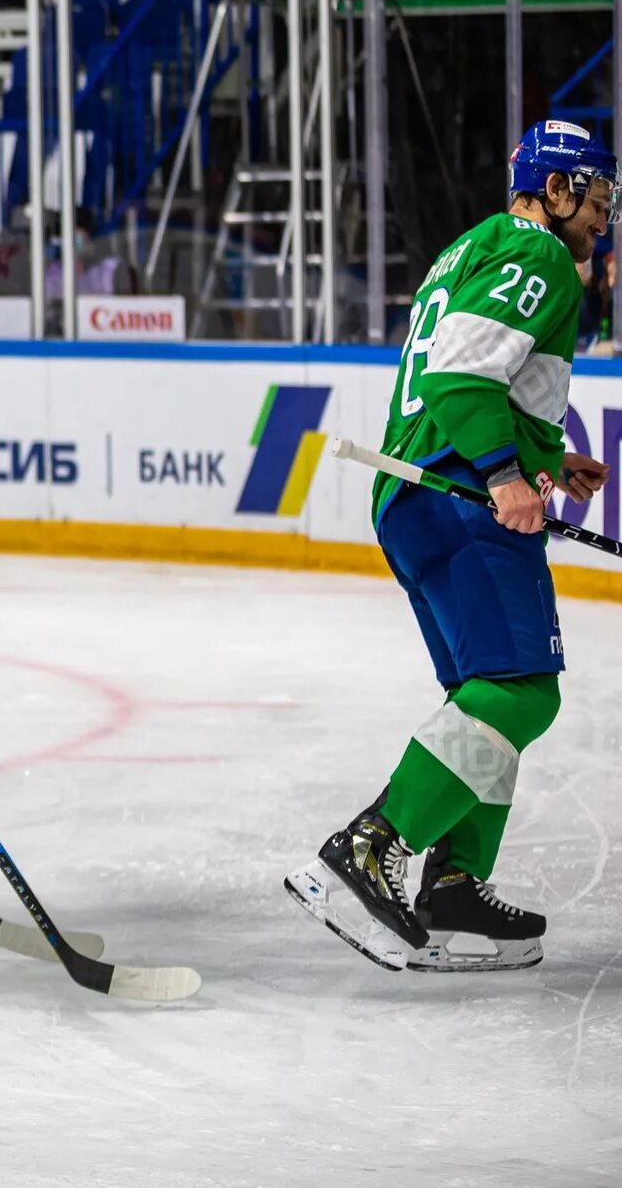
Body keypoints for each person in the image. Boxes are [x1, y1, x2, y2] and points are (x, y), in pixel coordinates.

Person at [286, 120, 613, 974]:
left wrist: (546, 460)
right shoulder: (538, 253)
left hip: (419, 498)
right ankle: (373, 845)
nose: (606, 210)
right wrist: (507, 473)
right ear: (555, 189)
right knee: (519, 692)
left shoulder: (475, 244)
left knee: (489, 695)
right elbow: (460, 376)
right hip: (460, 495)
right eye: (597, 190)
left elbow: (475, 370)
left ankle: (454, 889)